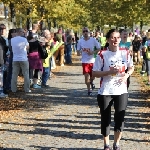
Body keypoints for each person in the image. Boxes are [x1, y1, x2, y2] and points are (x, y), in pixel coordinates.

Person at [92, 29, 134, 150]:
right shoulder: (102, 54)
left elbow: (131, 67)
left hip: (121, 90)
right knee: (106, 119)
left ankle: (116, 143)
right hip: (105, 91)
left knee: (120, 118)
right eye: (113, 37)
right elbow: (94, 73)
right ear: (108, 39)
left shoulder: (125, 53)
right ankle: (106, 144)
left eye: (118, 37)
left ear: (120, 39)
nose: (115, 40)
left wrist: (126, 75)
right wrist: (109, 72)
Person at [77, 27, 101, 96]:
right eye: (84, 31)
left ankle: (91, 82)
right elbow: (78, 52)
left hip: (93, 61)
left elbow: (99, 48)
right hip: (85, 61)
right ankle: (89, 90)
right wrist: (81, 52)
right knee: (86, 77)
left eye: (86, 31)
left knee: (93, 76)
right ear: (82, 33)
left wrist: (93, 52)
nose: (85, 33)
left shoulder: (93, 40)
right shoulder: (80, 41)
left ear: (89, 32)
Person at [11, 28, 30, 93]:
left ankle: (13, 89)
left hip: (15, 59)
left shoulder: (12, 40)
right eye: (22, 32)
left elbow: (11, 48)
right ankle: (26, 89)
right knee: (26, 74)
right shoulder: (24, 39)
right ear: (19, 32)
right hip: (23, 58)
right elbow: (28, 47)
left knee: (14, 74)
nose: (23, 33)